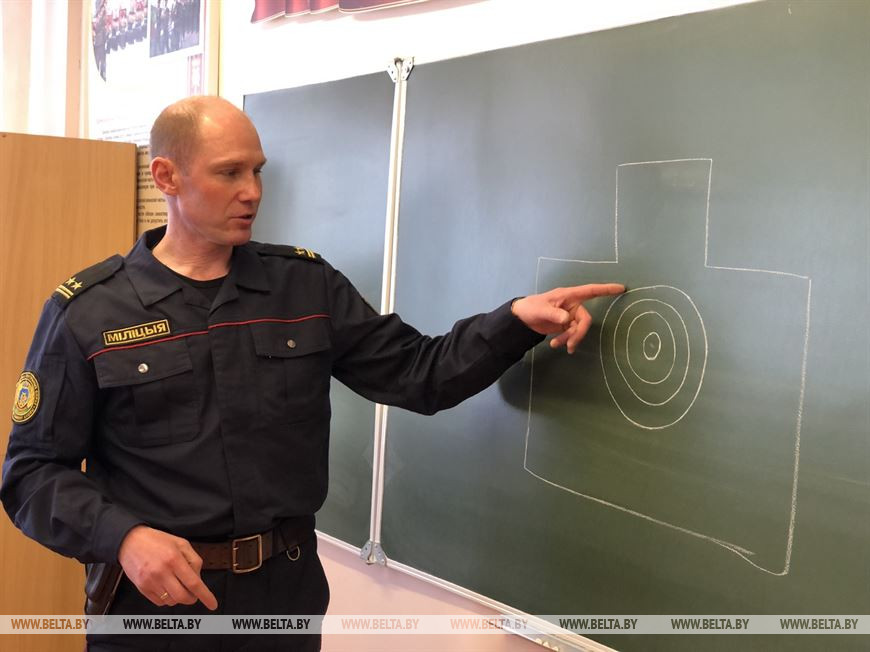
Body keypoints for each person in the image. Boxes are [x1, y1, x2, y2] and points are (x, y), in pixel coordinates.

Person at [1, 96, 624, 651]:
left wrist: (515, 321)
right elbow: (31, 473)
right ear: (166, 177)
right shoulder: (91, 311)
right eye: (229, 173)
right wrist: (124, 536)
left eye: (257, 171)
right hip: (155, 609)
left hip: (284, 600)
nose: (252, 192)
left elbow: (419, 373)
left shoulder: (303, 286)